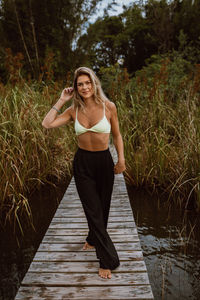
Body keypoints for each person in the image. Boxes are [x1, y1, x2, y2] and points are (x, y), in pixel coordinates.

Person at [42, 67, 126, 279]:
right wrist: (61, 100)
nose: (85, 87)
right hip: (83, 163)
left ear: (94, 83)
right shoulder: (73, 111)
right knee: (92, 207)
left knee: (102, 207)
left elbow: (117, 135)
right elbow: (47, 123)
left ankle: (92, 237)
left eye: (88, 83)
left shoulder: (109, 107)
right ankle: (107, 260)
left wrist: (122, 160)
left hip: (104, 162)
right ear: (76, 88)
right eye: (80, 84)